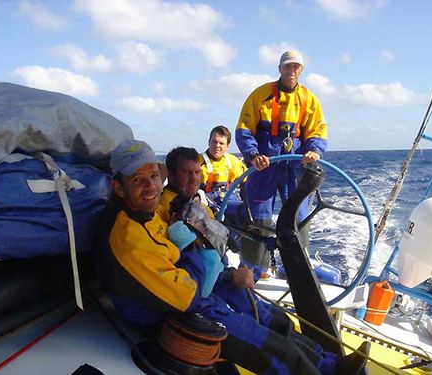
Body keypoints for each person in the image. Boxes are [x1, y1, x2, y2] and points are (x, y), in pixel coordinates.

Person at [97, 139, 369, 375]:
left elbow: (189, 257)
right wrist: (207, 258)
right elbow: (188, 292)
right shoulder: (131, 238)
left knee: (273, 320)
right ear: (119, 188)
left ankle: (331, 366)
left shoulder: (150, 213)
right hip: (166, 313)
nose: (150, 187)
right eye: (137, 180)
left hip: (192, 287)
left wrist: (210, 263)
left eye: (154, 177)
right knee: (266, 343)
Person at [235, 50, 327, 274]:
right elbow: (244, 130)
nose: (291, 70)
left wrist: (313, 151)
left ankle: (298, 272)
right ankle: (254, 270)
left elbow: (317, 132)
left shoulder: (309, 100)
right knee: (259, 216)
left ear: (301, 70)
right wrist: (253, 155)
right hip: (263, 166)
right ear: (279, 69)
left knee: (299, 216)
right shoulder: (260, 95)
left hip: (294, 168)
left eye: (295, 66)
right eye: (287, 66)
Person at [199, 125, 247, 207]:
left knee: (246, 210)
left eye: (221, 143)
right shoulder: (197, 162)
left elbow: (247, 182)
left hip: (229, 202)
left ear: (227, 146)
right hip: (207, 205)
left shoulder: (234, 162)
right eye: (214, 142)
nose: (217, 146)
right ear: (209, 142)